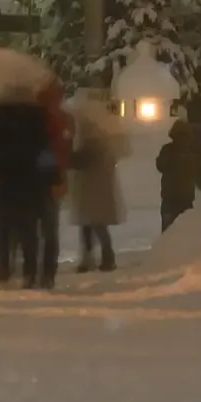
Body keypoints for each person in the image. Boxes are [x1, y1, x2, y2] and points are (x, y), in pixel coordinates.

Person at [0, 87, 53, 289]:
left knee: (3, 230)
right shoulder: (35, 116)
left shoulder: (0, 115)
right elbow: (43, 146)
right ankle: (29, 273)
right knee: (28, 230)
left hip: (3, 179)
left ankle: (3, 272)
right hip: (28, 179)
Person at [70, 93, 123, 272]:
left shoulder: (92, 143)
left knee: (94, 225)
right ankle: (97, 258)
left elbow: (79, 162)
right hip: (99, 190)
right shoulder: (104, 141)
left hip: (91, 191)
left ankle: (99, 258)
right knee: (94, 225)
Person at [38, 80, 74, 289]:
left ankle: (39, 270)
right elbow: (65, 146)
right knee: (49, 227)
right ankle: (47, 272)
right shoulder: (60, 119)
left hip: (38, 178)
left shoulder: (38, 118)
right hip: (53, 176)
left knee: (40, 226)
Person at [156, 116, 201, 232]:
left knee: (168, 234)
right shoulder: (194, 152)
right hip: (184, 198)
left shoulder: (168, 150)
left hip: (171, 198)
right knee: (185, 233)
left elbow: (160, 166)